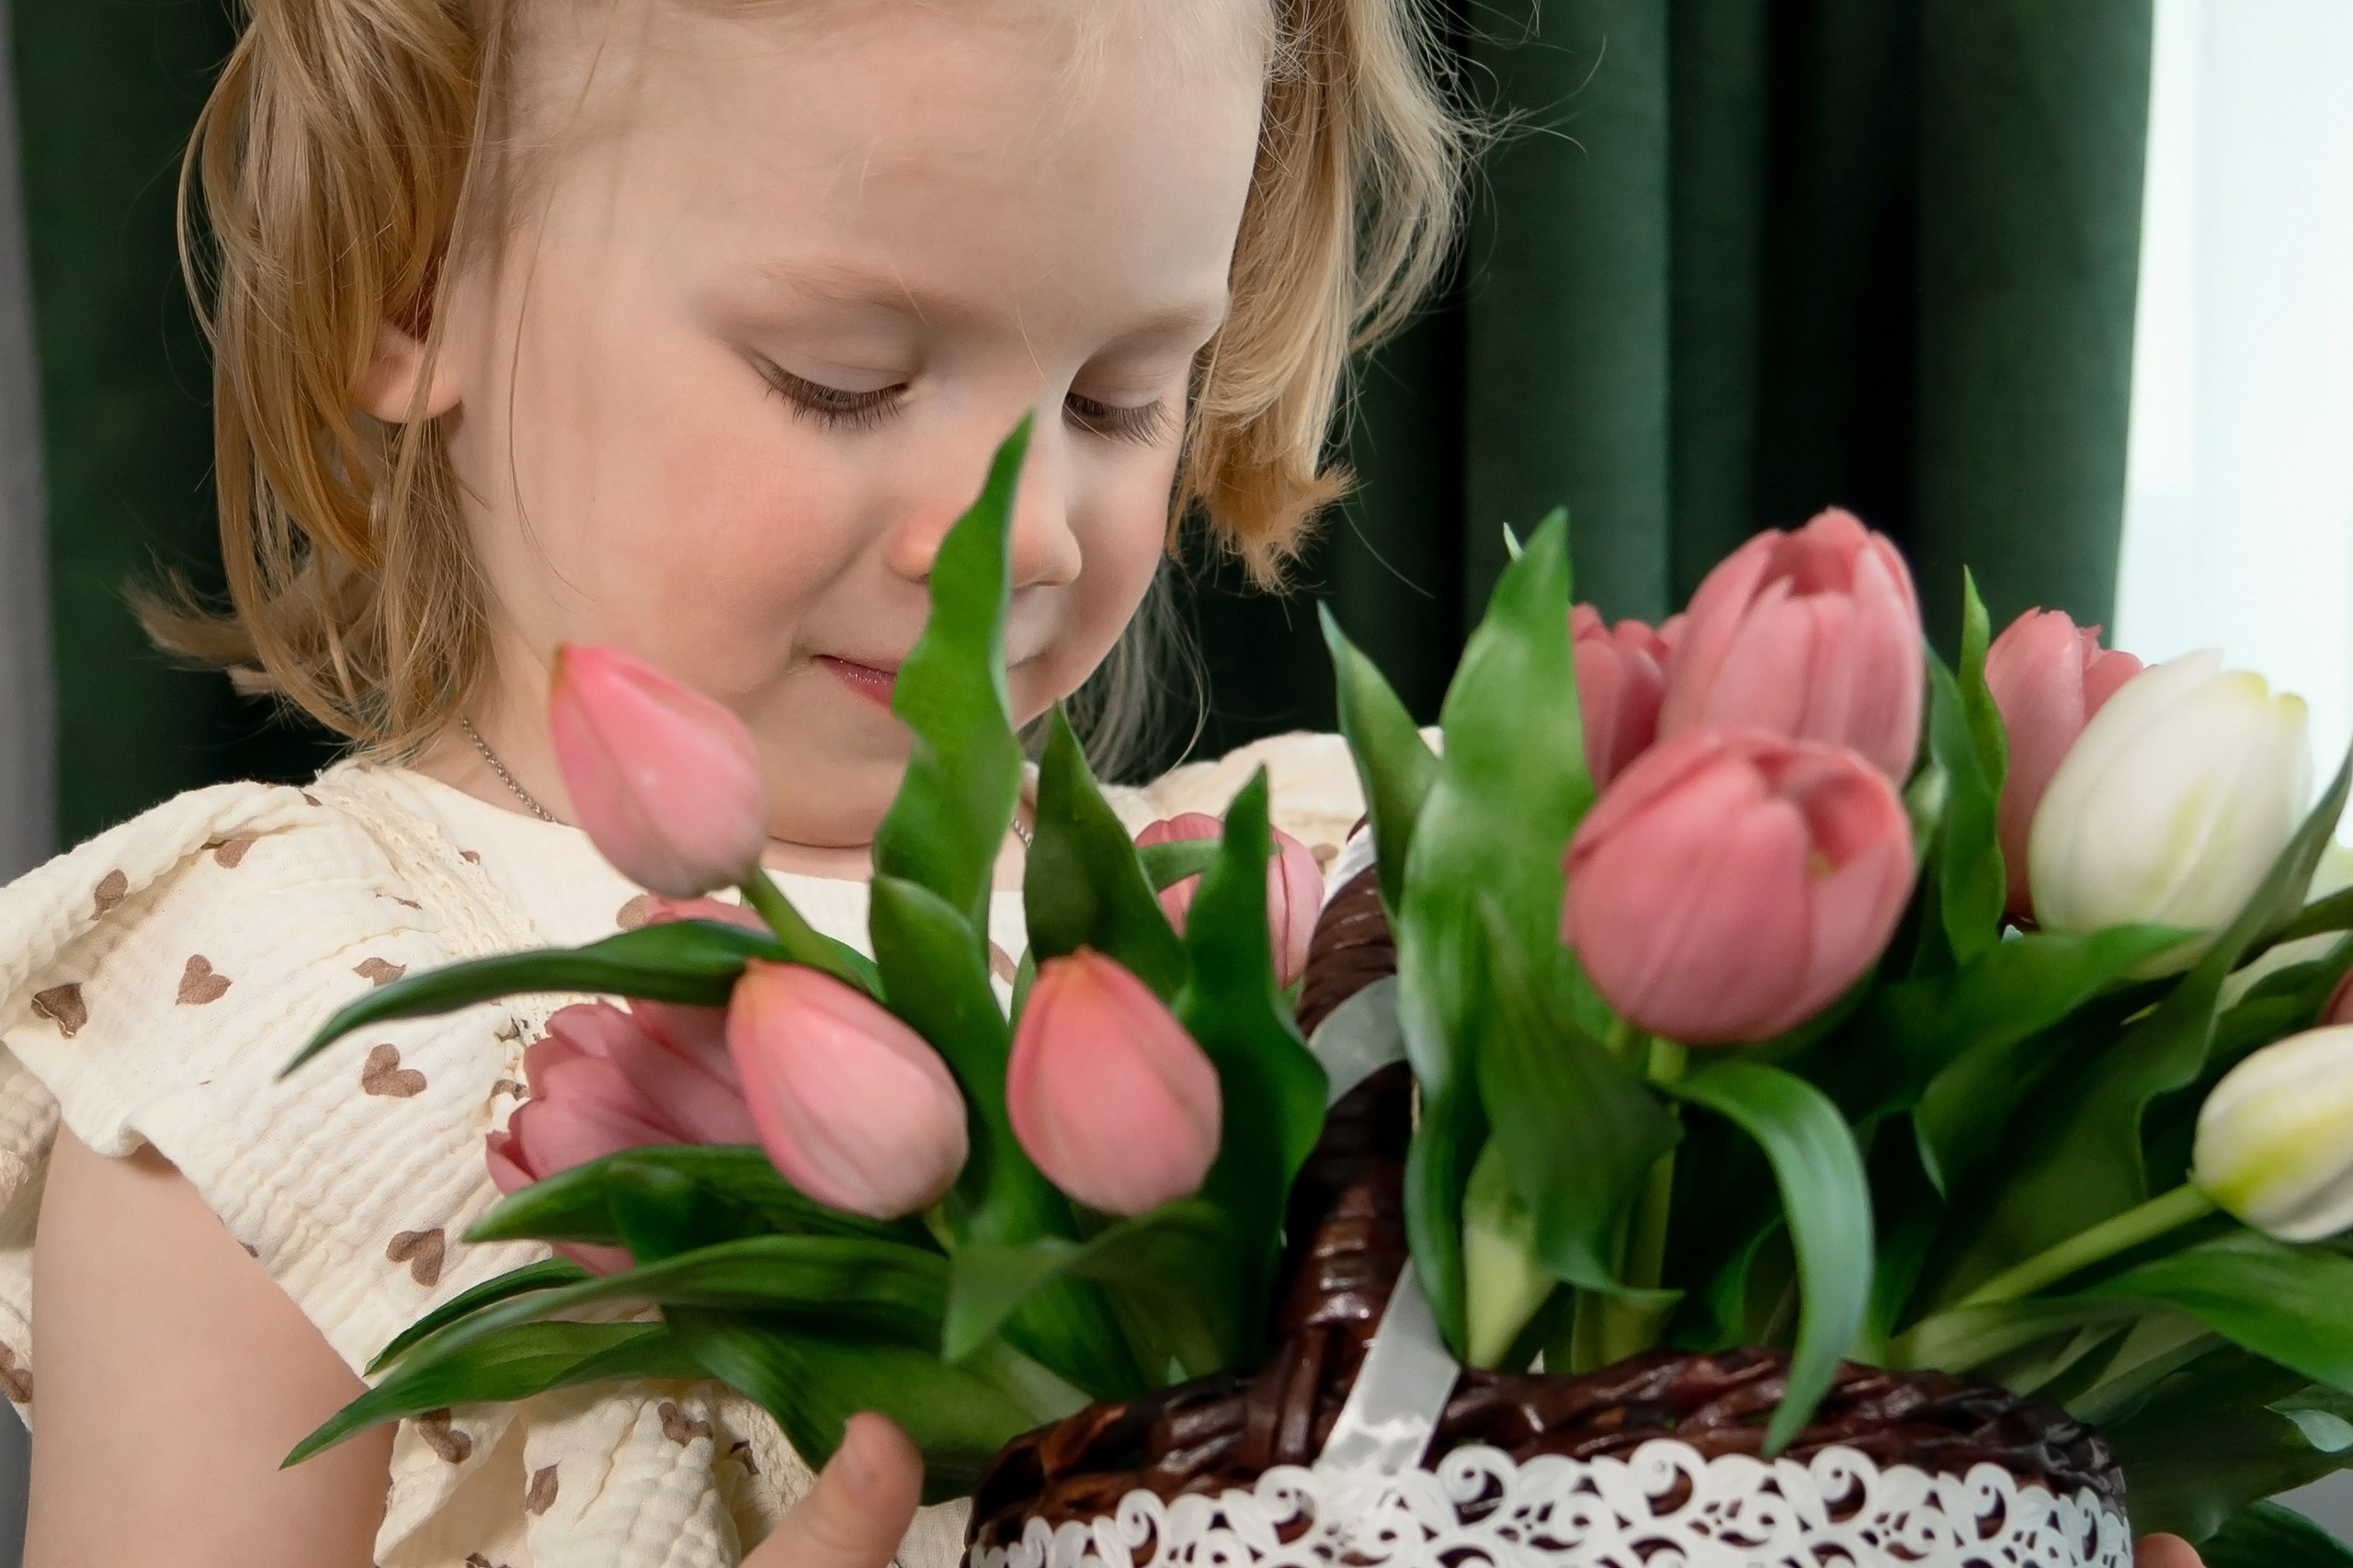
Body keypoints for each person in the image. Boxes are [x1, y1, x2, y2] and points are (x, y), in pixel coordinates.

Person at [0, 1, 2210, 1564]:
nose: (1027, 532)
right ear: (410, 286)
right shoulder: (272, 1015)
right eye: (844, 376)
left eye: (1119, 395)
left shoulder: (1300, 922)